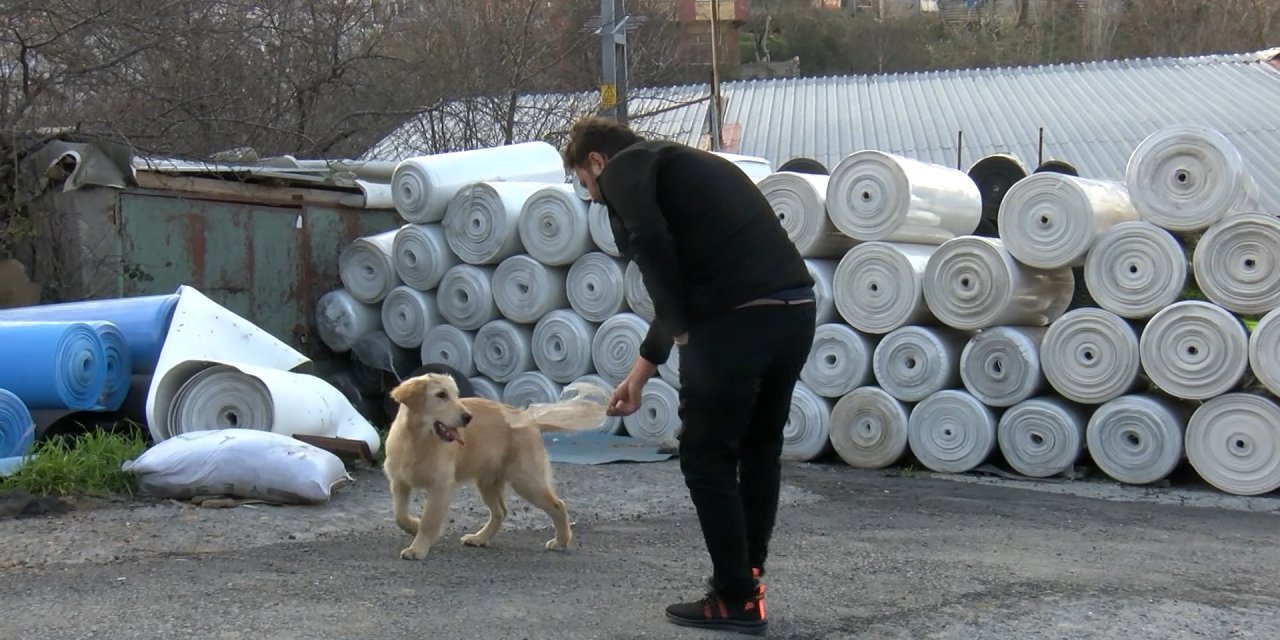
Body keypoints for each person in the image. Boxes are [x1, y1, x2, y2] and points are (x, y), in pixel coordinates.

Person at [562, 116, 816, 636]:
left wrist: (679, 327)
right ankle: (745, 583)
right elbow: (684, 274)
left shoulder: (626, 169)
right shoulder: (683, 167)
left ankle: (735, 598)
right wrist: (641, 371)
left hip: (736, 320)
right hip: (794, 311)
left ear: (596, 161)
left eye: (586, 184)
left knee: (705, 456)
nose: (592, 197)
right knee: (759, 448)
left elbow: (650, 241)